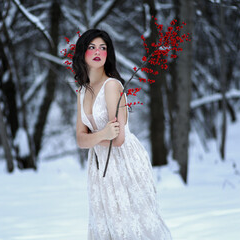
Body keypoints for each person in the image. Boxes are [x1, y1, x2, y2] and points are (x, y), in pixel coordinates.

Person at [74, 29, 173, 240]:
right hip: (100, 164)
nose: (98, 51)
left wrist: (96, 137)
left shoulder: (112, 86)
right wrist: (102, 134)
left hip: (124, 161)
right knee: (107, 223)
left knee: (129, 223)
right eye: (91, 47)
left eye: (103, 47)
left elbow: (117, 140)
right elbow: (80, 139)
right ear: (82, 53)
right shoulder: (82, 91)